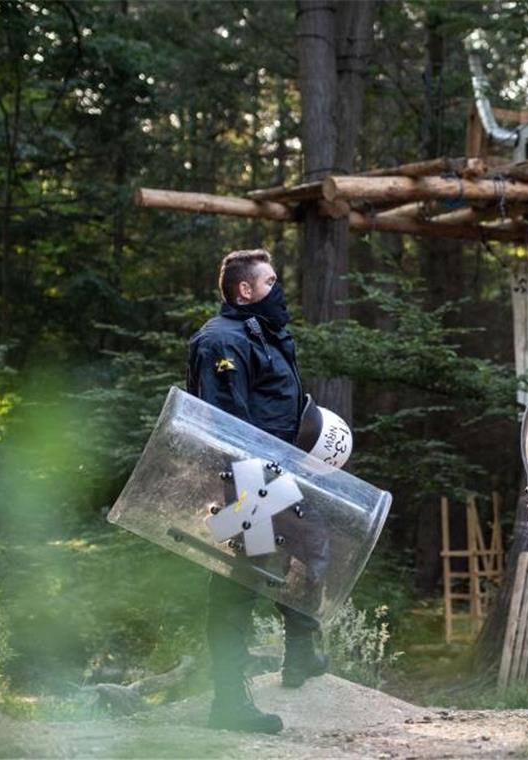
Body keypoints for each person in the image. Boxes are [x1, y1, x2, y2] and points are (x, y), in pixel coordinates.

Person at [187, 249, 327, 733]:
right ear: (245, 291)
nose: (278, 290)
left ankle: (300, 653)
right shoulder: (221, 342)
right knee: (235, 589)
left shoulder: (262, 335)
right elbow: (227, 427)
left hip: (276, 474)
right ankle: (228, 701)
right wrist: (255, 491)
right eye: (270, 282)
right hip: (245, 483)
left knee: (311, 549)